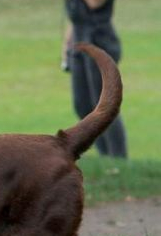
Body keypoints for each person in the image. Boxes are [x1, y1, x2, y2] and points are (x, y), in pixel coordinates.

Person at [62, 0, 128, 158]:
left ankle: (118, 158)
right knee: (82, 105)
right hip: (78, 41)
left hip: (99, 40)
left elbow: (94, 3)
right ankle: (105, 156)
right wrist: (67, 44)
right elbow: (75, 17)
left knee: (105, 105)